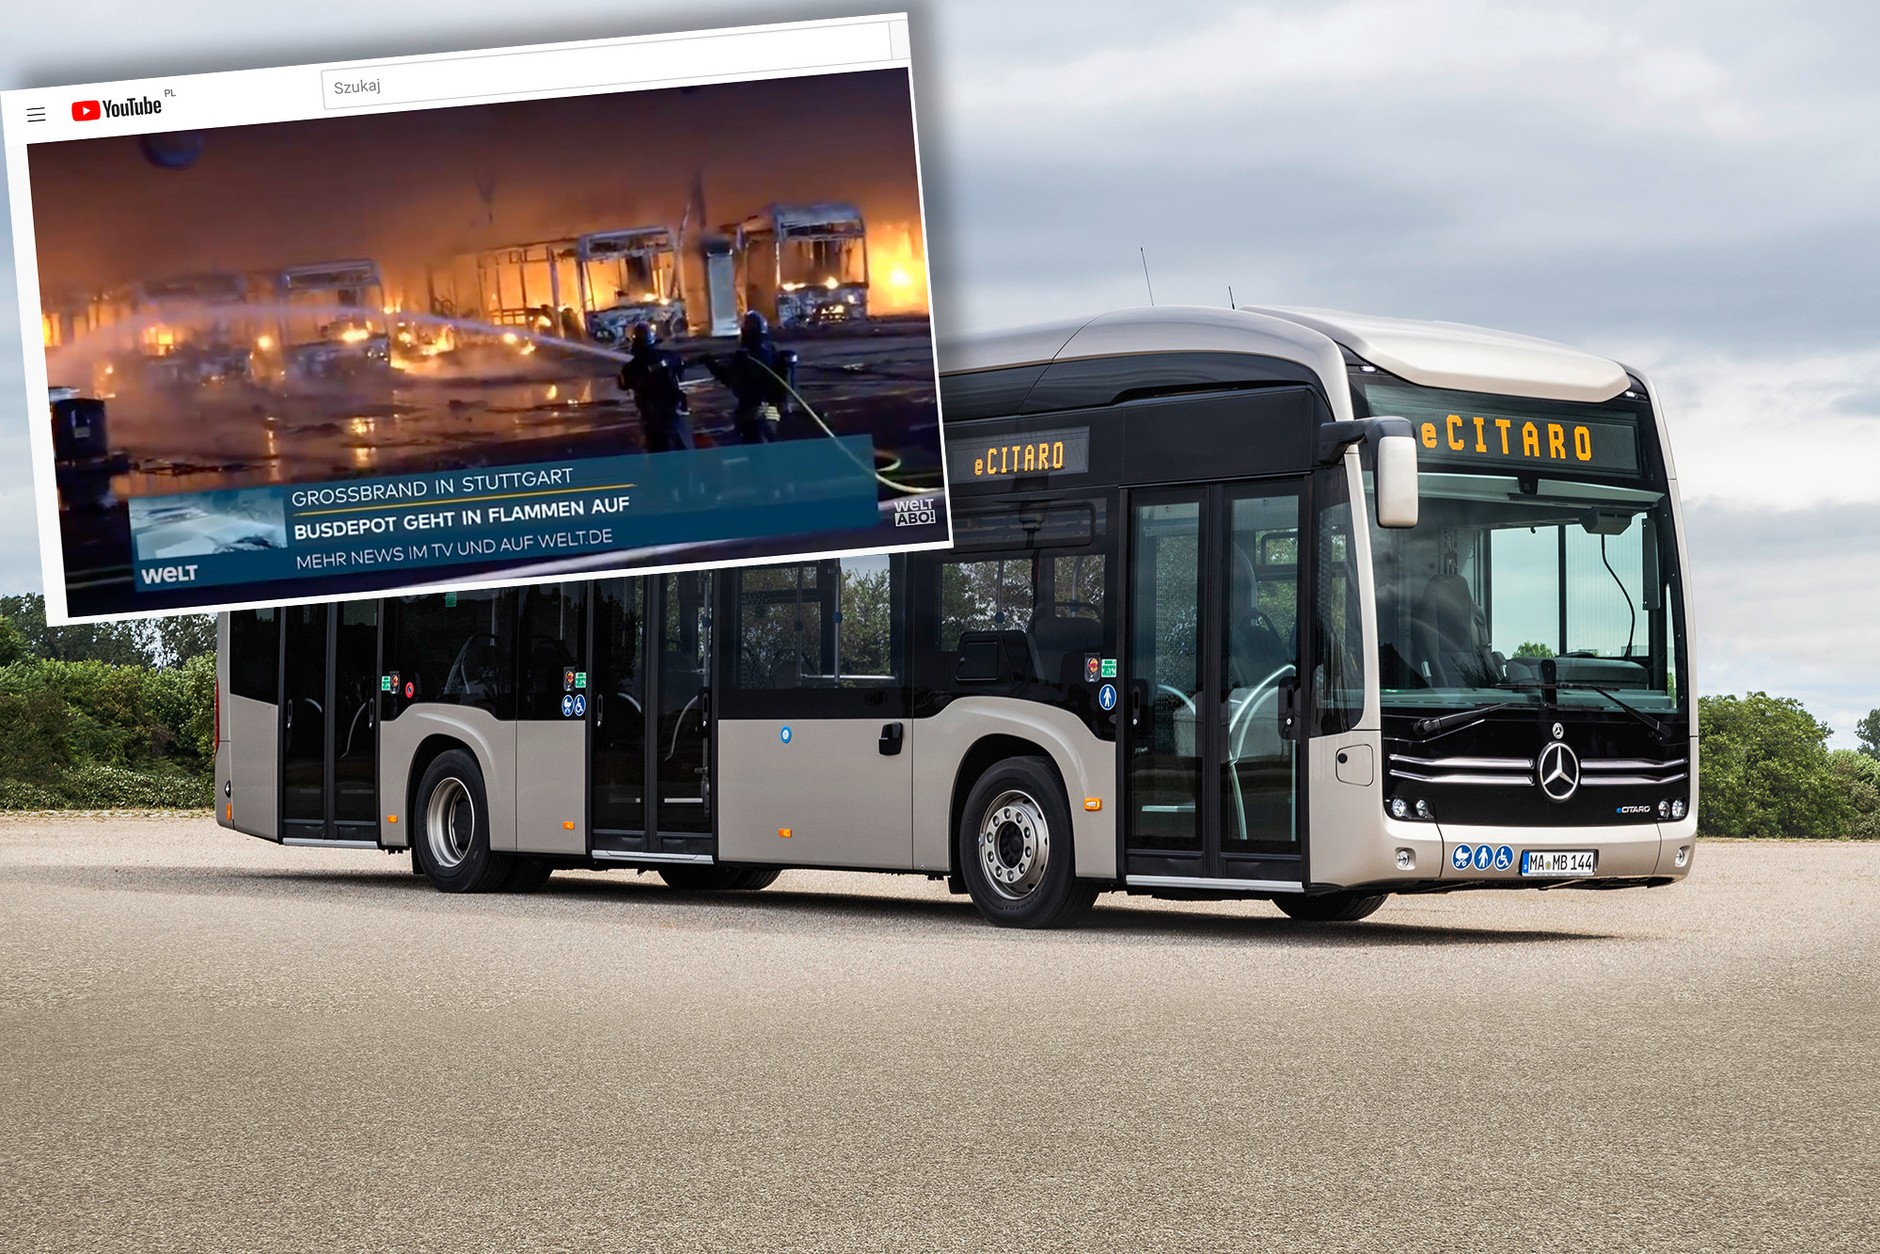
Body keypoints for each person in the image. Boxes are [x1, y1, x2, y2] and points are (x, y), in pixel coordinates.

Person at [704, 310, 794, 444]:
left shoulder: (745, 356)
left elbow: (729, 379)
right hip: (772, 415)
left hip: (751, 415)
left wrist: (710, 364)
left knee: (757, 457)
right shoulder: (772, 351)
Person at [616, 321, 693, 453]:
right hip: (674, 414)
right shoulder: (669, 356)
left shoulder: (631, 367)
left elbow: (623, 385)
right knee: (685, 454)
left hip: (652, 419)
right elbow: (680, 369)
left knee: (658, 456)